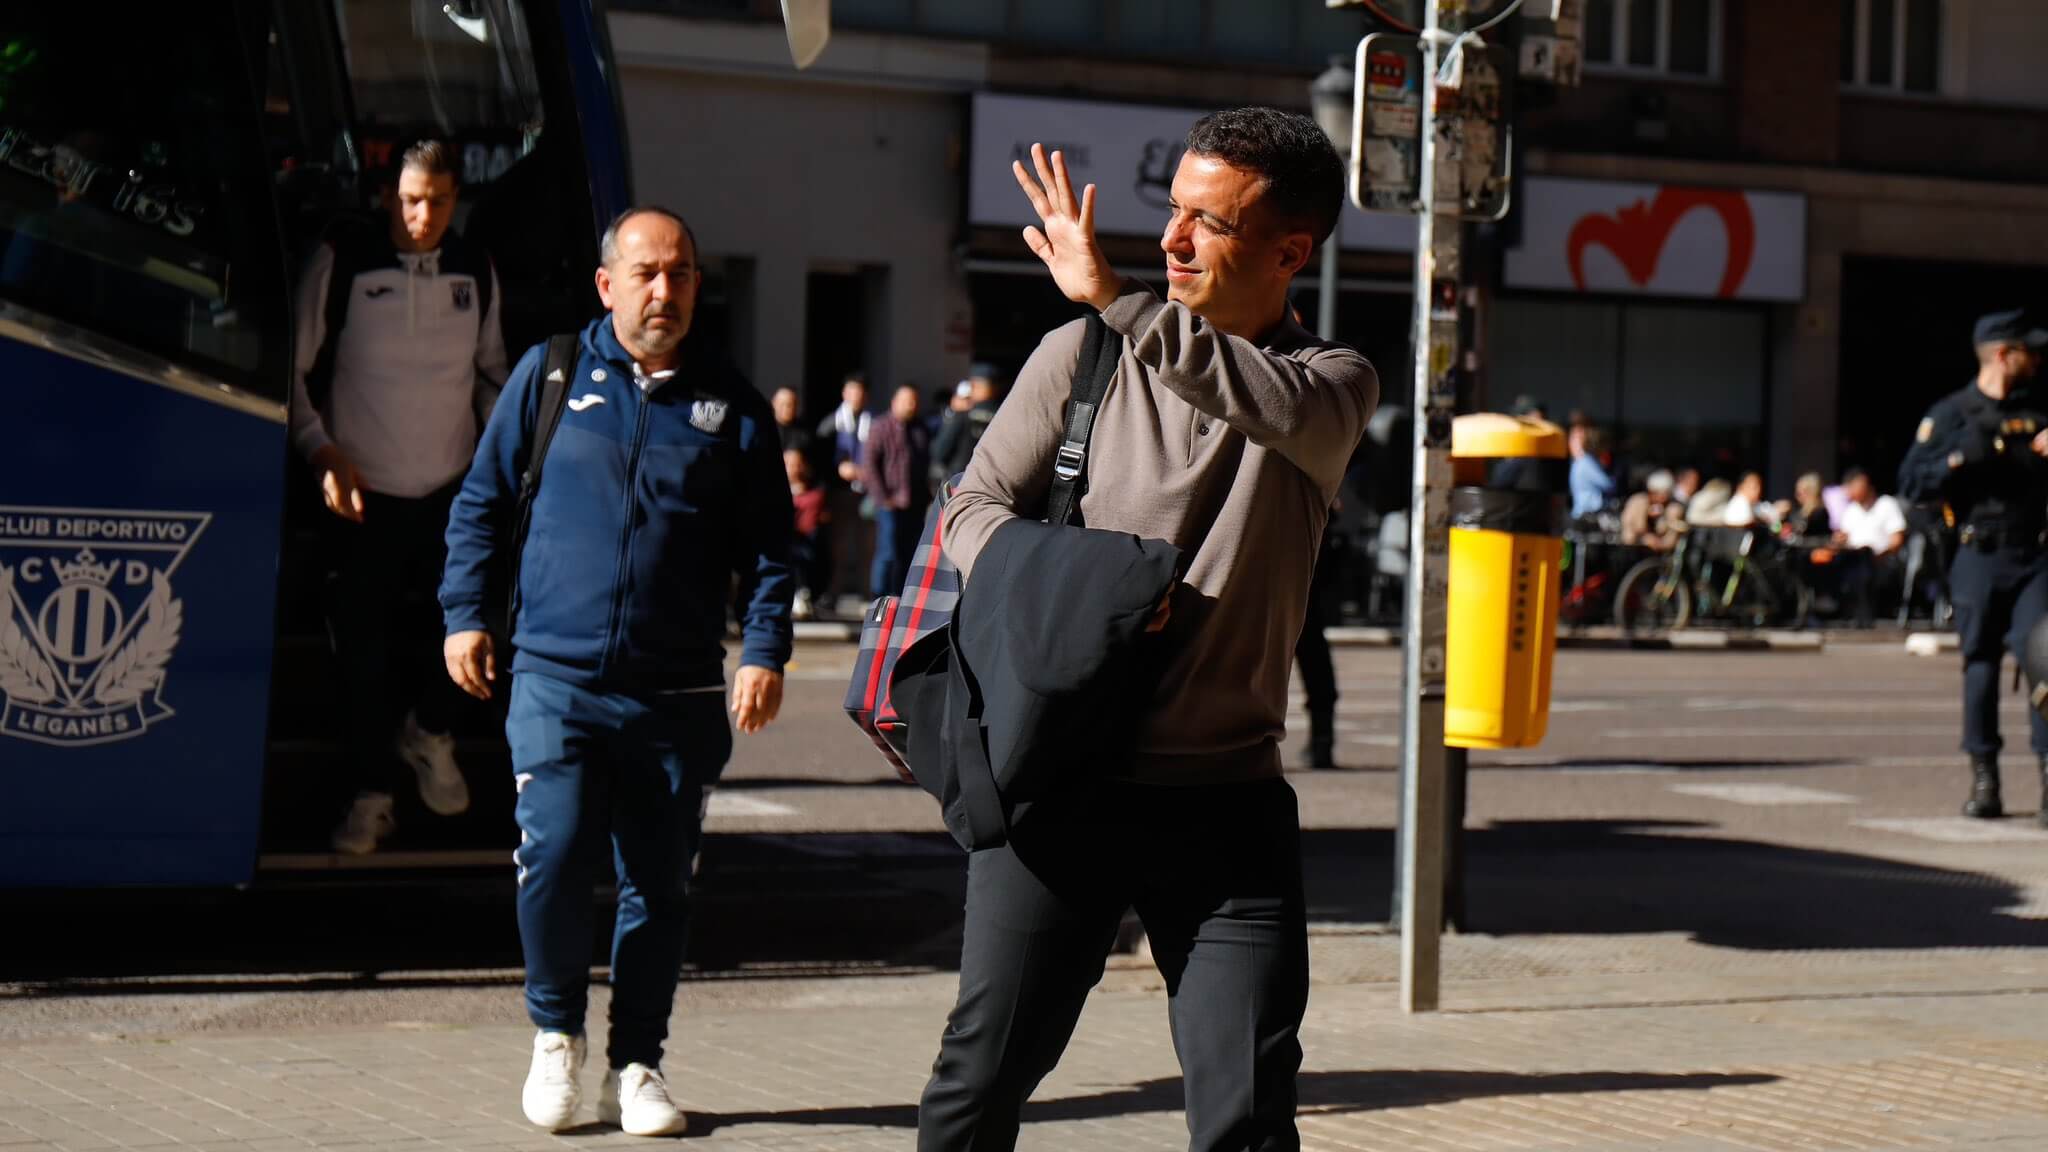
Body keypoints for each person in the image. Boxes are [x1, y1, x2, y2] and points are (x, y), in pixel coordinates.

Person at [918, 109, 1376, 1149]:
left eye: (1203, 224)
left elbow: (1242, 390)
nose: (1169, 240)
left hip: (1225, 805)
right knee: (980, 1081)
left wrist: (1116, 298)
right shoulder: (1078, 357)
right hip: (1061, 786)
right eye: (1169, 212)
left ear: (1287, 250)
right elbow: (969, 509)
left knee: (1247, 1115)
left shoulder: (1329, 387)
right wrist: (1085, 590)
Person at [439, 206, 794, 1136]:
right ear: (608, 285)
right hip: (554, 679)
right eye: (645, 273)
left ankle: (638, 1064)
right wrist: (464, 615)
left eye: (679, 274)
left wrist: (764, 649)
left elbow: (770, 549)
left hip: (675, 692)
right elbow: (480, 502)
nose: (663, 291)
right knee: (552, 856)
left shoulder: (733, 405)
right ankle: (556, 1038)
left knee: (660, 884)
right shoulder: (550, 375)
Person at [290, 140, 508, 854]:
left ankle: (431, 731)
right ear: (390, 195)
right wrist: (321, 450)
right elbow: (291, 373)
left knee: (480, 618)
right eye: (412, 199)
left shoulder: (475, 269)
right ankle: (371, 791)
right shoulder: (344, 263)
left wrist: (501, 465)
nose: (423, 215)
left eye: (439, 201)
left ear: (455, 201)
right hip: (363, 490)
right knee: (362, 651)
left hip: (452, 488)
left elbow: (492, 376)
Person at [1898, 309, 2048, 821]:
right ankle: (1985, 778)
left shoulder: (2040, 412)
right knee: (1981, 665)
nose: (2037, 359)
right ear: (2004, 354)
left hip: (2035, 555)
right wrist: (1960, 458)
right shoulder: (1953, 414)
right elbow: (1912, 483)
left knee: (2045, 662)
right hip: (1977, 553)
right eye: (2029, 350)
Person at [861, 383, 932, 597]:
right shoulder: (880, 427)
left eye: (914, 401)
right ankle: (879, 598)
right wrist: (883, 498)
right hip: (889, 502)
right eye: (906, 401)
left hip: (915, 502)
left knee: (909, 554)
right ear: (894, 402)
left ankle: (902, 598)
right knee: (888, 553)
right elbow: (870, 465)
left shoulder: (921, 429)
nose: (910, 406)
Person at [816, 372, 873, 610]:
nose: (856, 397)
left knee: (867, 546)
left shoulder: (874, 423)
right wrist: (838, 469)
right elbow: (820, 457)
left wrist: (865, 472)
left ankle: (867, 593)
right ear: (844, 394)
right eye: (852, 391)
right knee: (837, 546)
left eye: (860, 392)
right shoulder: (831, 424)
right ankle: (833, 592)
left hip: (867, 493)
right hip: (839, 492)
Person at [1832, 468, 1908, 627]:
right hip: (1853, 559)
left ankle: (1864, 618)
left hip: (1881, 561)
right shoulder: (1851, 510)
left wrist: (1879, 555)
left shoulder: (1886, 504)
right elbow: (1844, 537)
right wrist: (1839, 540)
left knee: (1863, 559)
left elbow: (1897, 540)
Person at [932, 361, 1004, 483]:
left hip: (961, 487)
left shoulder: (962, 414)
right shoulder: (1004, 416)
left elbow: (939, 451)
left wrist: (953, 415)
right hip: (994, 489)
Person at [787, 447, 829, 620]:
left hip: (808, 539)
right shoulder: (774, 490)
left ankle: (805, 594)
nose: (795, 468)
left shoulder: (816, 492)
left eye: (798, 464)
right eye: (789, 464)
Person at [1620, 470, 1684, 552]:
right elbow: (1628, 526)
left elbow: (1672, 538)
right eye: (1658, 493)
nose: (1662, 498)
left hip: (1661, 553)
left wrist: (1658, 543)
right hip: (1634, 547)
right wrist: (1644, 539)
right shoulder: (1637, 502)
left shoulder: (1674, 509)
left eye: (1666, 494)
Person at [1568, 421, 1616, 520]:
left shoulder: (1579, 462)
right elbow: (1607, 484)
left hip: (1583, 512)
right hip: (1587, 514)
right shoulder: (1586, 462)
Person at [771, 386, 813, 458]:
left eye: (790, 405)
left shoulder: (805, 432)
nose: (786, 408)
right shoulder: (764, 429)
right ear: (774, 403)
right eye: (782, 404)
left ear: (796, 406)